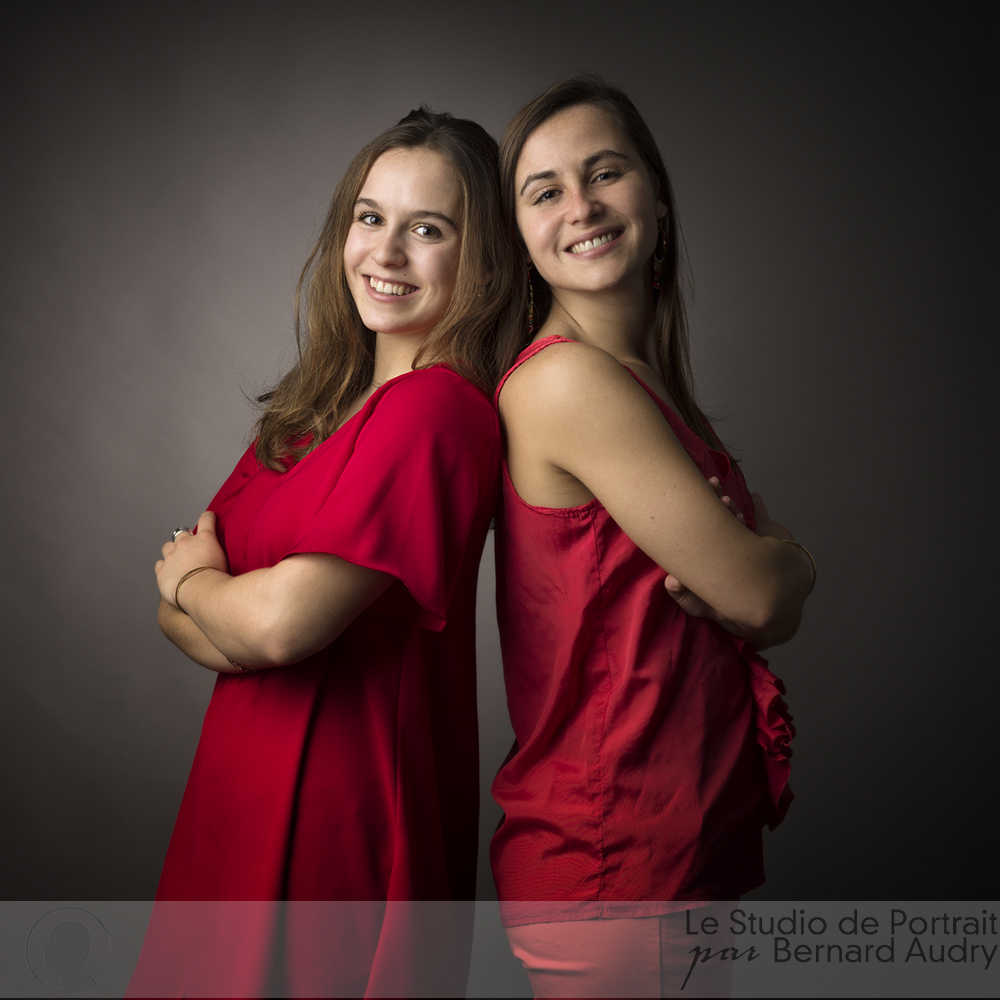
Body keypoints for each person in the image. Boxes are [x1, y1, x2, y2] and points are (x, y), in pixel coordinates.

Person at [126, 108, 515, 999]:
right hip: (234, 810)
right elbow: (187, 617)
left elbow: (268, 624)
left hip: (339, 826)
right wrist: (221, 603)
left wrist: (200, 584)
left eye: (429, 229)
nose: (385, 253)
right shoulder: (313, 412)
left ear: (481, 257)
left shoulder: (438, 413)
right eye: (370, 218)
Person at [489, 74, 815, 998]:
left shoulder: (639, 379)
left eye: (606, 173)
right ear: (520, 238)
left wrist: (769, 570)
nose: (582, 206)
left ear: (656, 198)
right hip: (613, 865)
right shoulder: (568, 384)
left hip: (681, 844)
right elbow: (758, 595)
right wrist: (792, 561)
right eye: (544, 191)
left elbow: (753, 593)